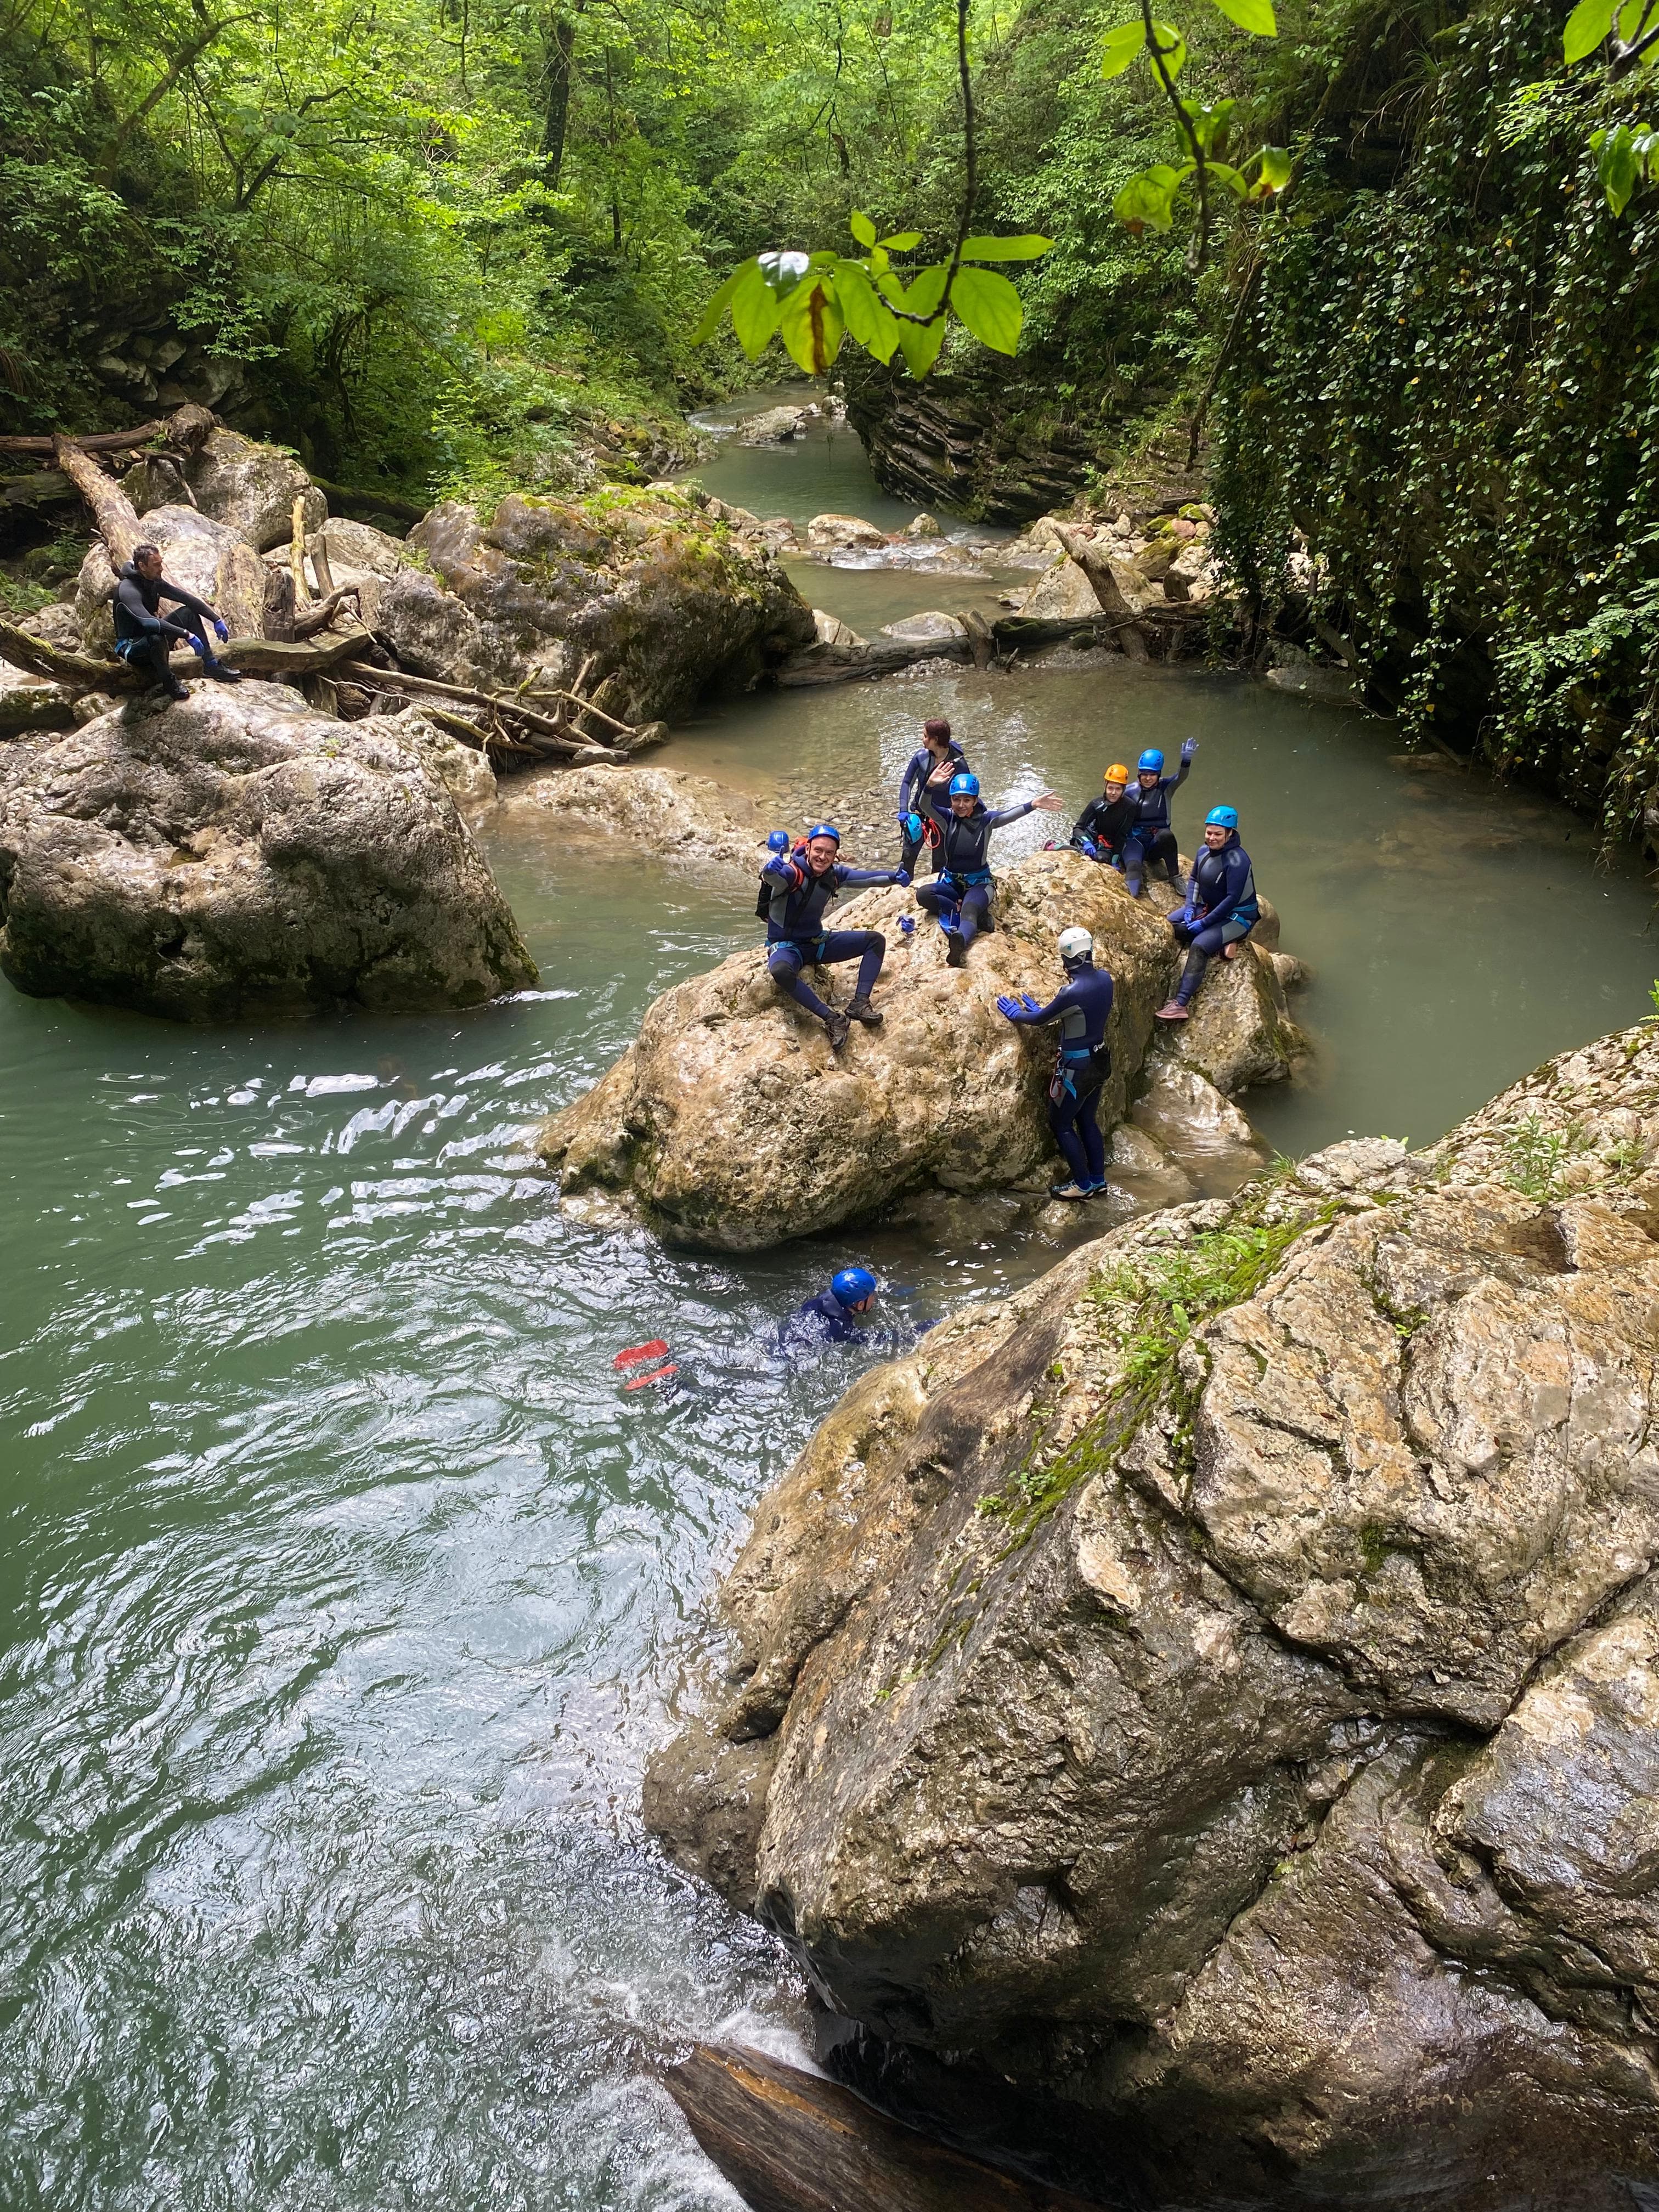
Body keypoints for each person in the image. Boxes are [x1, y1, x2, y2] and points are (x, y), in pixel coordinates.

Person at [760, 823, 909, 1049]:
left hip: (818, 943)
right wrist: (770, 871)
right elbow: (775, 879)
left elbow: (866, 879)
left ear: (835, 855)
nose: (823, 857)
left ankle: (860, 1003)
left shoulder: (834, 875)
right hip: (788, 948)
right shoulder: (792, 873)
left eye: (829, 853)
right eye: (818, 850)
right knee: (780, 970)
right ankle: (833, 1019)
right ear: (808, 849)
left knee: (875, 940)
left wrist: (894, 877)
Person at [997, 926, 1115, 1200]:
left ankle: (1082, 1185)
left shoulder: (1070, 992)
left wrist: (1019, 1014)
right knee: (1087, 1120)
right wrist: (1047, 1011)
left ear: (1066, 959)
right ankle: (1098, 1180)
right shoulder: (1105, 979)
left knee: (1061, 1124)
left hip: (1077, 1069)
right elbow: (1074, 1015)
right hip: (1099, 1059)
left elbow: (1040, 1021)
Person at [913, 772, 1063, 966]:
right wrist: (930, 786)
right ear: (951, 799)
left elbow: (1009, 816)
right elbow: (924, 805)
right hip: (952, 882)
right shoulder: (947, 818)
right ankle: (960, 910)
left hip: (980, 884)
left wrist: (1032, 805)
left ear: (975, 800)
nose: (961, 805)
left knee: (970, 911)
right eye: (956, 799)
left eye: (967, 800)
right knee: (923, 894)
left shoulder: (986, 821)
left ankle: (960, 944)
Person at [1155, 805, 1261, 1022]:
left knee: (1200, 945)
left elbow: (1231, 900)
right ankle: (1221, 941)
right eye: (1209, 833)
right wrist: (1191, 907)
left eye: (1218, 834)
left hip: (1236, 916)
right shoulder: (1204, 852)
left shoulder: (1238, 861)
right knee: (1169, 925)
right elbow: (1194, 880)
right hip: (1208, 907)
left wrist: (1203, 925)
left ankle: (1180, 1004)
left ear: (1230, 834)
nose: (1212, 838)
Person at [112, 543, 241, 699]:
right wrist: (187, 635)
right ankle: (169, 682)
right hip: (132, 647)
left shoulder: (153, 581)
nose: (161, 568)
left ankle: (211, 665)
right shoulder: (128, 589)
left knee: (189, 613)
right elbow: (148, 622)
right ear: (142, 566)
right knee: (156, 636)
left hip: (152, 637)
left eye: (161, 563)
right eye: (156, 565)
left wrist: (216, 619)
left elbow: (186, 598)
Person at [1122, 740, 1197, 898]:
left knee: (1167, 836)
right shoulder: (1129, 792)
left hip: (1156, 842)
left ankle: (1175, 877)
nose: (1148, 778)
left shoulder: (1166, 788)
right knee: (1134, 867)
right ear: (1139, 774)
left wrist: (1186, 762)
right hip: (1134, 841)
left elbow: (1180, 777)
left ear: (1159, 775)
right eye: (1145, 774)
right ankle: (1132, 898)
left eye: (1152, 775)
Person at [897, 717, 969, 876]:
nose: (921, 739)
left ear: (935, 740)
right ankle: (902, 890)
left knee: (940, 864)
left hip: (942, 820)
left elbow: (966, 798)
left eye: (924, 736)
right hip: (918, 817)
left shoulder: (958, 765)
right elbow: (907, 783)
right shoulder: (921, 757)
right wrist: (903, 810)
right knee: (907, 858)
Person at [778, 1266, 878, 1350]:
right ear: (860, 1305)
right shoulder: (844, 1330)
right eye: (872, 1295)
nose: (875, 1298)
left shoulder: (813, 1304)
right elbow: (875, 1340)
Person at [1070, 764, 1136, 868]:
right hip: (1091, 837)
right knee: (1082, 851)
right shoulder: (1096, 804)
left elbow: (1122, 836)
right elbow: (1078, 828)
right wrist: (1086, 842)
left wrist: (1115, 861)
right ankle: (1056, 846)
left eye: (1118, 789)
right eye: (1110, 788)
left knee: (1101, 859)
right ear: (1105, 787)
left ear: (1124, 790)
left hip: (1108, 844)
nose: (1113, 793)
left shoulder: (1129, 807)